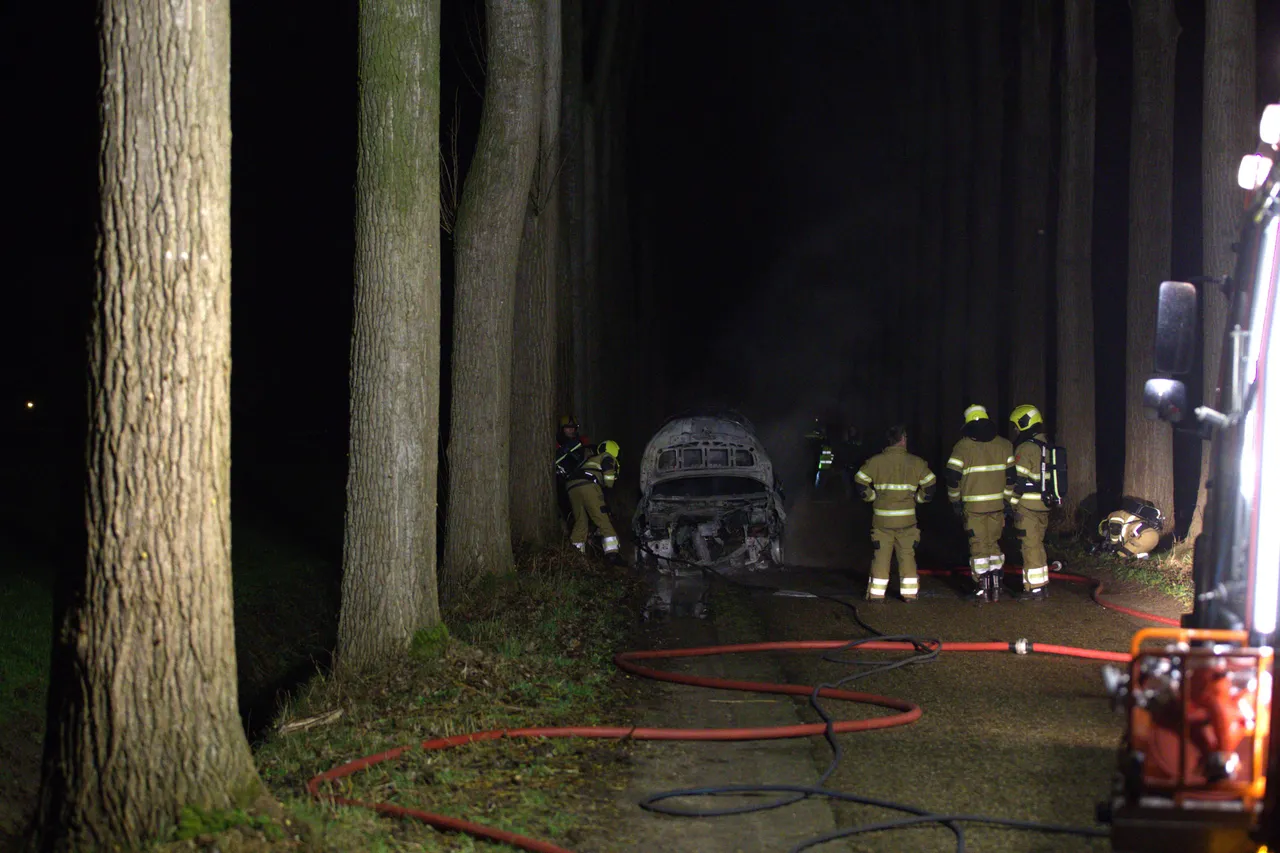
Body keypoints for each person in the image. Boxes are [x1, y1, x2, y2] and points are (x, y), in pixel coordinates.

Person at [853, 425, 936, 602]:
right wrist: (919, 499)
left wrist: (871, 497)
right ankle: (910, 594)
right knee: (907, 555)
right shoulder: (917, 463)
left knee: (881, 556)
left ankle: (876, 595)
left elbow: (860, 480)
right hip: (907, 520)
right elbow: (930, 484)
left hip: (882, 520)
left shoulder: (875, 462)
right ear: (903, 439)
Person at [946, 405, 1015, 602]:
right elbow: (1011, 478)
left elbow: (952, 478)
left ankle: (981, 587)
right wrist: (1007, 500)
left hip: (973, 507)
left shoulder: (962, 447)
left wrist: (955, 500)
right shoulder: (1004, 445)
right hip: (997, 506)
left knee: (978, 545)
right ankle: (996, 585)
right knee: (993, 543)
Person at [1006, 404, 1053, 602]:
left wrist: (1010, 502)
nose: (1015, 430)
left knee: (1029, 546)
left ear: (1024, 424)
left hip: (1028, 506)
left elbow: (1018, 481)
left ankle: (1034, 589)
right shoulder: (1046, 445)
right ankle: (1041, 585)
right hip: (1044, 505)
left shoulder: (1025, 448)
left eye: (1016, 426)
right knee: (1037, 544)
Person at [566, 439, 622, 564]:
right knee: (602, 519)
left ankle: (577, 557)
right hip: (588, 485)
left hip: (571, 487)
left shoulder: (590, 460)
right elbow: (608, 479)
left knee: (580, 522)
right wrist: (609, 484)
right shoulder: (607, 456)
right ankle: (612, 555)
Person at [1096, 498, 1163, 558]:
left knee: (1122, 555)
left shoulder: (1114, 515)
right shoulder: (1128, 517)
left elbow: (1115, 528)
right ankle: (1141, 557)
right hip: (1150, 537)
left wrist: (1113, 544)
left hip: (1145, 536)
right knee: (1133, 554)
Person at [555, 415, 591, 520]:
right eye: (568, 428)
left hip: (577, 481)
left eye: (573, 428)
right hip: (561, 483)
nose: (571, 430)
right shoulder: (558, 444)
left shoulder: (579, 444)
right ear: (562, 429)